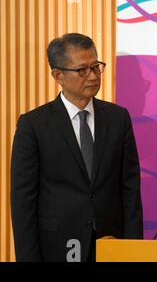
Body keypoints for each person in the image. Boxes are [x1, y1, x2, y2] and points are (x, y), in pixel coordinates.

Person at [10, 33, 143, 262]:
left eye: (96, 67)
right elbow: (23, 203)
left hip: (110, 244)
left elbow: (130, 190)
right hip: (56, 247)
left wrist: (132, 251)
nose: (92, 76)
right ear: (58, 75)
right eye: (82, 70)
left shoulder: (117, 118)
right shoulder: (33, 125)